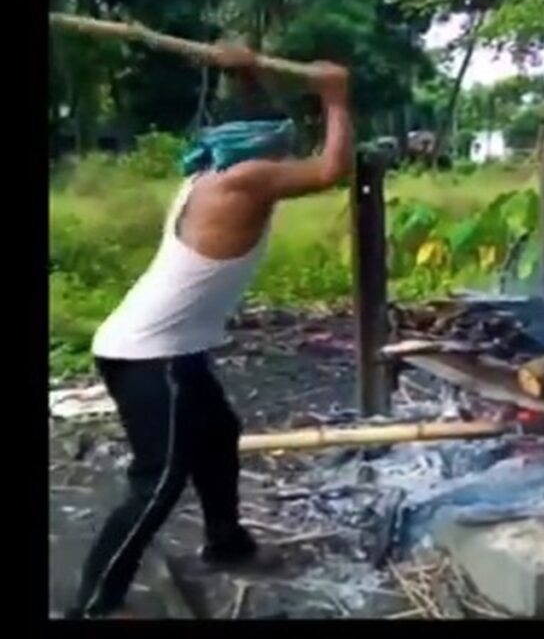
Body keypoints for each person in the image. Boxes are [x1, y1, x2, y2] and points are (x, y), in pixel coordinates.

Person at [66, 46, 353, 620]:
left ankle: (227, 543)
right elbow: (331, 169)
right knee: (159, 480)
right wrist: (335, 97)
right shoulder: (244, 181)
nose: (288, 152)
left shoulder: (216, 168)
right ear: (264, 153)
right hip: (153, 356)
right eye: (281, 147)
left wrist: (247, 74)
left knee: (218, 435)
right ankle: (95, 606)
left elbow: (263, 123)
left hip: (172, 349)